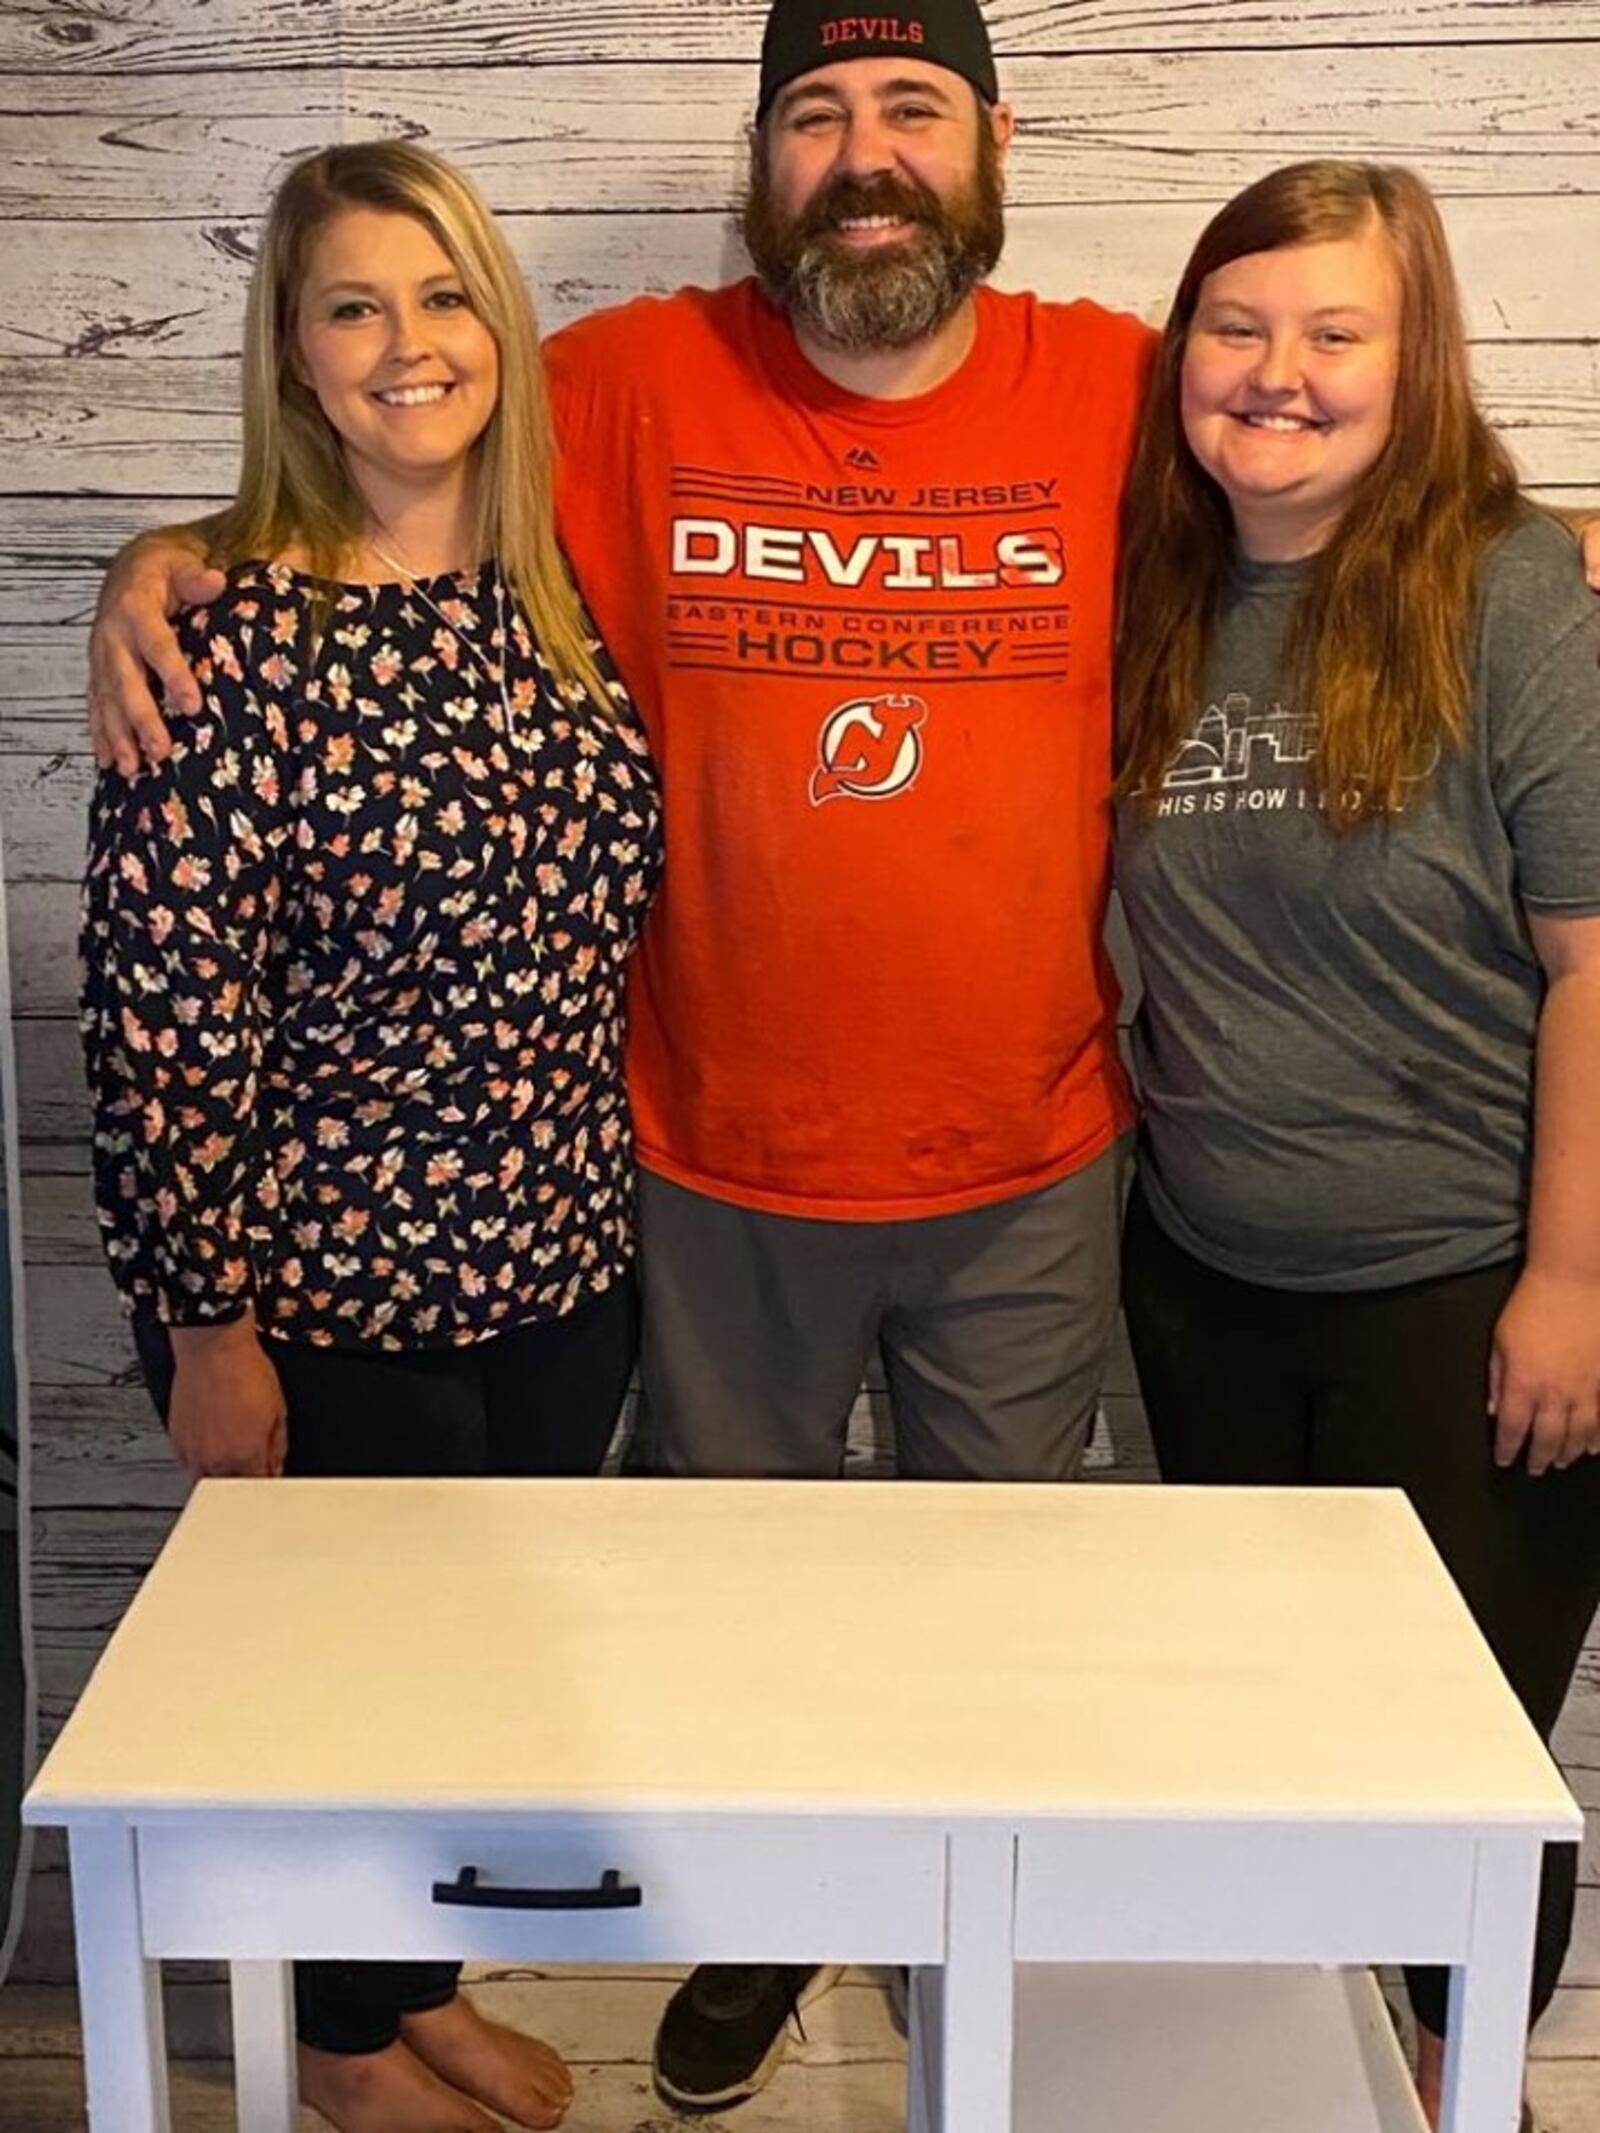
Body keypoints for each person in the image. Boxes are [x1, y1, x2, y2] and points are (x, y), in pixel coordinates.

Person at [74, 2, 1600, 2109]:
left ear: (987, 138)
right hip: (701, 1169)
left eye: (905, 106)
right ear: (764, 154)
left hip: (1041, 1164)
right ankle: (758, 1929)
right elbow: (381, 458)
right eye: (813, 111)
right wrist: (154, 565)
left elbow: (1342, 442)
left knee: (977, 1632)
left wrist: (1550, 555)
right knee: (737, 1623)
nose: (861, 150)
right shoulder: (610, 388)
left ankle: (945, 1942)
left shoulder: (1130, 392)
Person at [81, 140, 662, 2133]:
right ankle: (332, 2043)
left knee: (470, 1691)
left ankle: (404, 1985)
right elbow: (158, 1029)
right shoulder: (222, 643)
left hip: (560, 1269)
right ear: (297, 359)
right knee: (351, 1695)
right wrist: (211, 1328)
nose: (407, 345)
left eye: (438, 296)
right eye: (353, 306)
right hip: (320, 1299)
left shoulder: (552, 597)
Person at [1113, 159, 1600, 2133]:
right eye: (1235, 325)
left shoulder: (1499, 584)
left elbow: (1592, 961)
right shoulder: (1154, 576)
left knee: (1456, 1763)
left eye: (1334, 330)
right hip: (1202, 1282)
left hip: (1461, 1295)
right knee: (1266, 1738)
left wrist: (1567, 1280)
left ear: (1415, 359)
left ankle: (1444, 2086)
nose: (1276, 372)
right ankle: (1311, 2075)